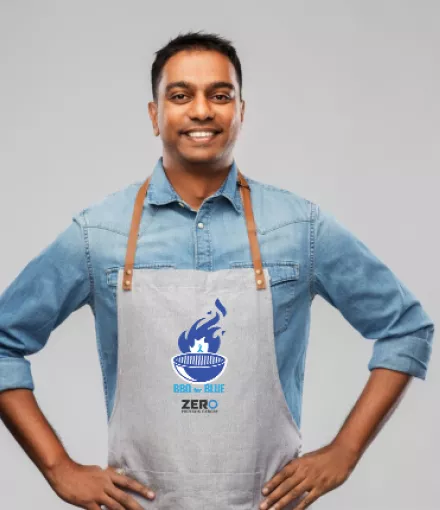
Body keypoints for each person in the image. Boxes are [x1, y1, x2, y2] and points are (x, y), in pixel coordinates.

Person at [0, 30, 435, 510]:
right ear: (155, 114)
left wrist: (345, 452)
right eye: (181, 95)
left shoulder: (297, 228)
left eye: (220, 95)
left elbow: (405, 329)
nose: (202, 110)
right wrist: (58, 468)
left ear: (241, 112)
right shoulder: (99, 234)